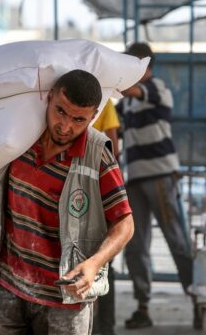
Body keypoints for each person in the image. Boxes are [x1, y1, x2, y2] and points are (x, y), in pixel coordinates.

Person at [0, 69, 134, 335]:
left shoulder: (98, 156)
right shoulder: (21, 137)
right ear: (49, 97)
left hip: (64, 299)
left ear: (94, 116)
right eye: (61, 111)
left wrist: (94, 263)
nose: (66, 126)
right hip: (5, 287)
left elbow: (125, 222)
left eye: (79, 119)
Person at [116, 43, 198, 330]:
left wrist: (112, 79)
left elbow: (129, 90)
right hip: (135, 178)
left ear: (144, 67)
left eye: (131, 65)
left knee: (176, 240)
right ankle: (142, 306)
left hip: (161, 175)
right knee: (135, 244)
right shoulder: (125, 103)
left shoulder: (156, 88)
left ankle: (197, 299)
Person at [92, 98, 120, 335]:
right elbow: (114, 147)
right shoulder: (104, 100)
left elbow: (113, 146)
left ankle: (105, 327)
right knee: (103, 260)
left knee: (102, 260)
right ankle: (104, 327)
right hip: (95, 186)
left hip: (94, 188)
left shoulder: (104, 100)